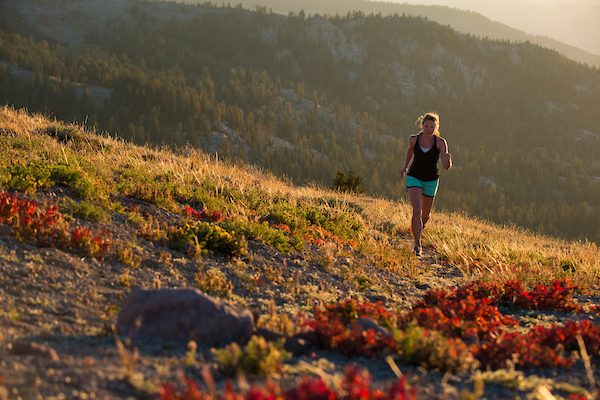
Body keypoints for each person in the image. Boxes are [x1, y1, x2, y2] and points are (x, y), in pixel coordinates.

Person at [399, 112, 452, 256]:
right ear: (422, 125)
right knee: (417, 210)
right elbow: (410, 152)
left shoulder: (440, 142)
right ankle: (417, 245)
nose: (429, 129)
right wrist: (404, 167)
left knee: (425, 216)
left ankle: (418, 231)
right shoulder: (414, 139)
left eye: (432, 127)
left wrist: (448, 160)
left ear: (436, 127)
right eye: (426, 126)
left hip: (431, 180)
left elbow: (446, 166)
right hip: (414, 177)